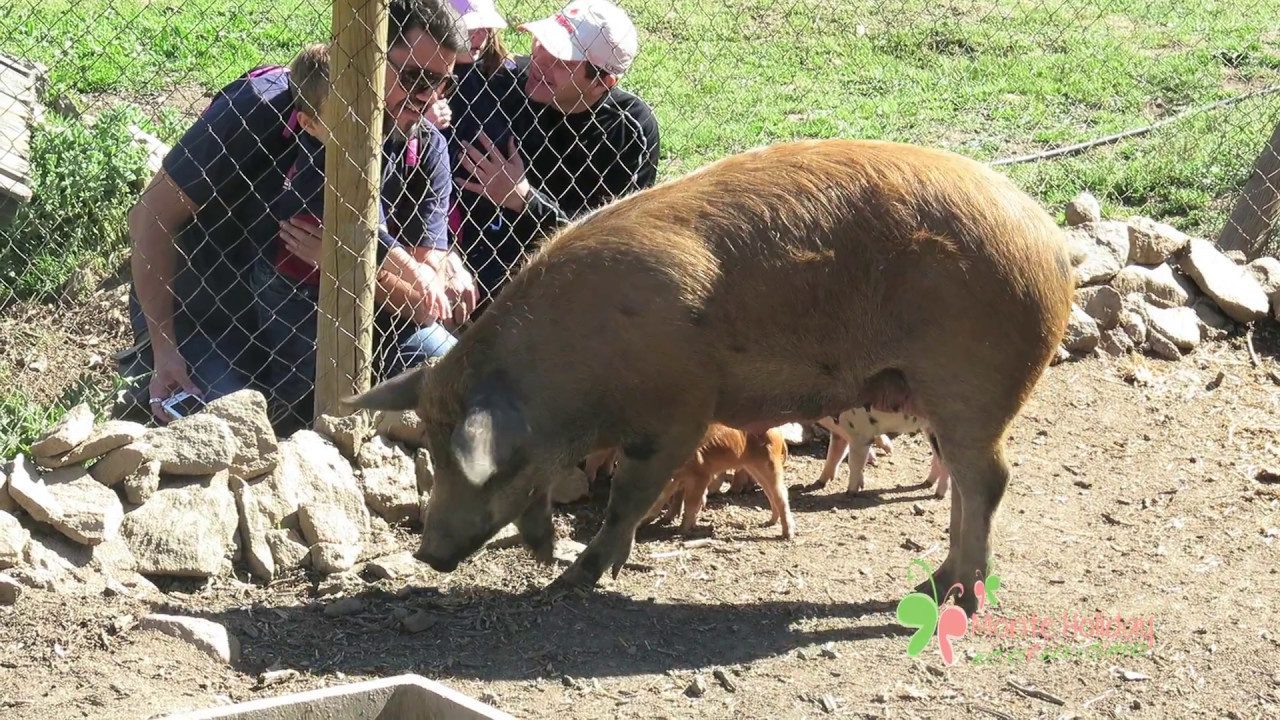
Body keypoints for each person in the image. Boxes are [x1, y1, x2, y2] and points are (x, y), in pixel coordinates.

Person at [123, 0, 479, 425]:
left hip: (355, 324)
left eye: (443, 84)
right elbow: (149, 217)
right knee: (229, 436)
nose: (429, 98)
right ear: (362, 52)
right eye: (416, 78)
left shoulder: (426, 148)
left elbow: (423, 302)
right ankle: (149, 368)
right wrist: (165, 349)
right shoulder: (264, 106)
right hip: (212, 317)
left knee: (469, 388)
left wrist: (340, 261)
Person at [252, 43, 462, 434]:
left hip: (369, 290)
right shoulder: (321, 165)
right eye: (343, 117)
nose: (359, 125)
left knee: (447, 369)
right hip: (295, 288)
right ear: (310, 124)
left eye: (365, 110)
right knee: (303, 378)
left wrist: (349, 260)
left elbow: (367, 245)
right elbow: (372, 236)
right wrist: (414, 271)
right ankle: (290, 430)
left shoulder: (391, 146)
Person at [454, 0, 661, 308]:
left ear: (603, 82)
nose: (540, 61)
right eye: (542, 44)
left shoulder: (627, 130)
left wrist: (522, 199)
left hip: (566, 284)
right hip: (479, 261)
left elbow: (607, 246)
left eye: (562, 61)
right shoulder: (503, 83)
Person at [441, 0, 534, 305]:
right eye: (470, 25)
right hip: (433, 223)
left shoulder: (508, 78)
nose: (481, 33)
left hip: (492, 227)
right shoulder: (410, 80)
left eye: (486, 24)